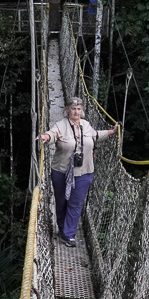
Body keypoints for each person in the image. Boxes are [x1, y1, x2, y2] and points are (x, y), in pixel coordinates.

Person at [39, 97, 118, 247]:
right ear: (67, 110)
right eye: (73, 109)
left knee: (75, 203)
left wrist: (112, 131)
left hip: (84, 172)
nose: (76, 111)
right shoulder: (61, 125)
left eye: (79, 109)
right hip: (62, 171)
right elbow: (52, 134)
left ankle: (68, 235)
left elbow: (95, 135)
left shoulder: (86, 125)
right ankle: (62, 228)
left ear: (81, 111)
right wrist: (45, 137)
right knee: (61, 201)